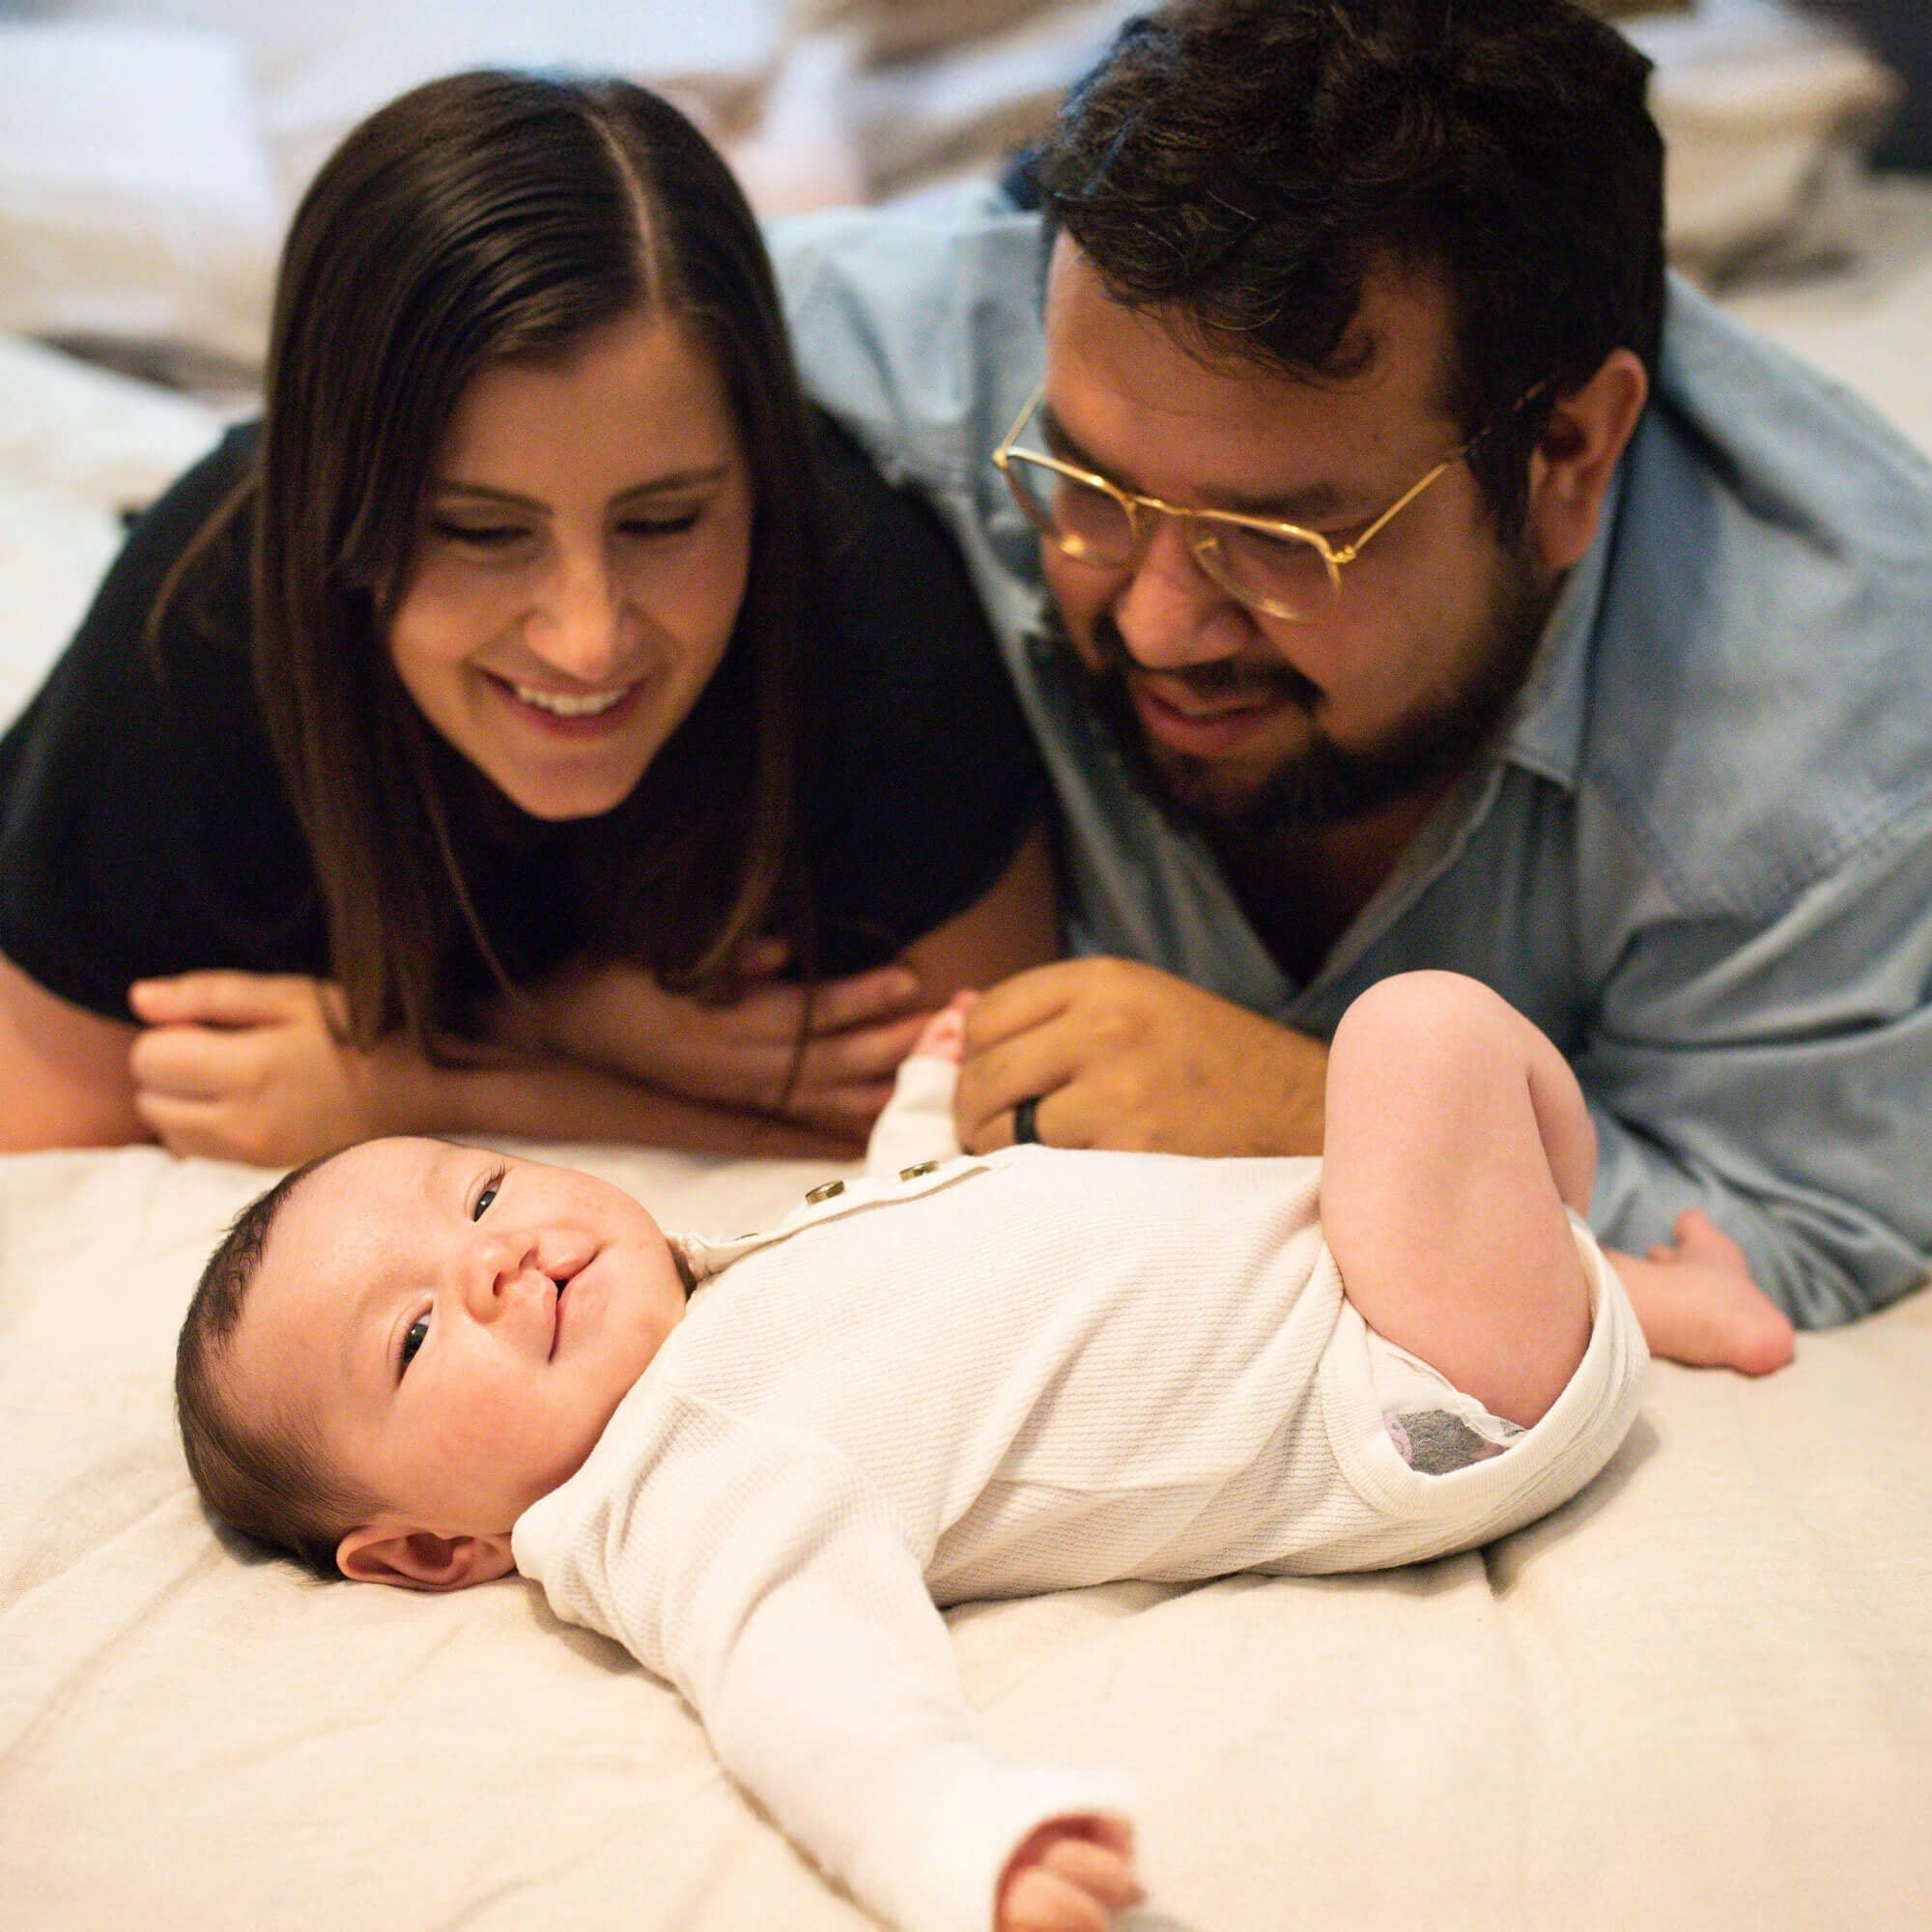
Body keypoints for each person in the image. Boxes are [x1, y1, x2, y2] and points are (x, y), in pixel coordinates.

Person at [769, 0, 1932, 1334]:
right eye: (1088, 486)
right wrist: (559, 1029)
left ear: (1568, 460)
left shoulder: (1841, 720)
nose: (1156, 625)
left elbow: (1781, 1233)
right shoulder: (923, 353)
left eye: (1278, 540)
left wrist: (1315, 1116)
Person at [177, 969, 1671, 1932]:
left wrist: (912, 1114)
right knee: (1418, 1035)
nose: (492, 1263)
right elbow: (810, 1695)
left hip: (1358, 1268)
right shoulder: (682, 1489)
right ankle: (1587, 1281)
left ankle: (1649, 1297)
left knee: (1395, 1150)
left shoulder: (722, 1296)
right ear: (438, 1549)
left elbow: (910, 1250)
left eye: (484, 1193)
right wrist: (959, 1842)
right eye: (417, 1339)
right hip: (1417, 1385)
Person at [0, 69, 1056, 1167]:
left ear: (759, 475)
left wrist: (441, 1078)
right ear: (333, 504)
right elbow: (40, 1123)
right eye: (480, 532)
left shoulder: (862, 600)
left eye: (662, 522)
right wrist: (552, 1030)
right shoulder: (215, 616)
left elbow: (991, 1130)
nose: (586, 636)